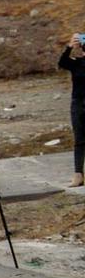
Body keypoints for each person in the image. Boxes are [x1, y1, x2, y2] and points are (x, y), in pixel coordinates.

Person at [60, 33, 85, 187]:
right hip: (78, 103)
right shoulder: (76, 63)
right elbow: (62, 62)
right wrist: (69, 47)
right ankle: (78, 174)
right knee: (79, 139)